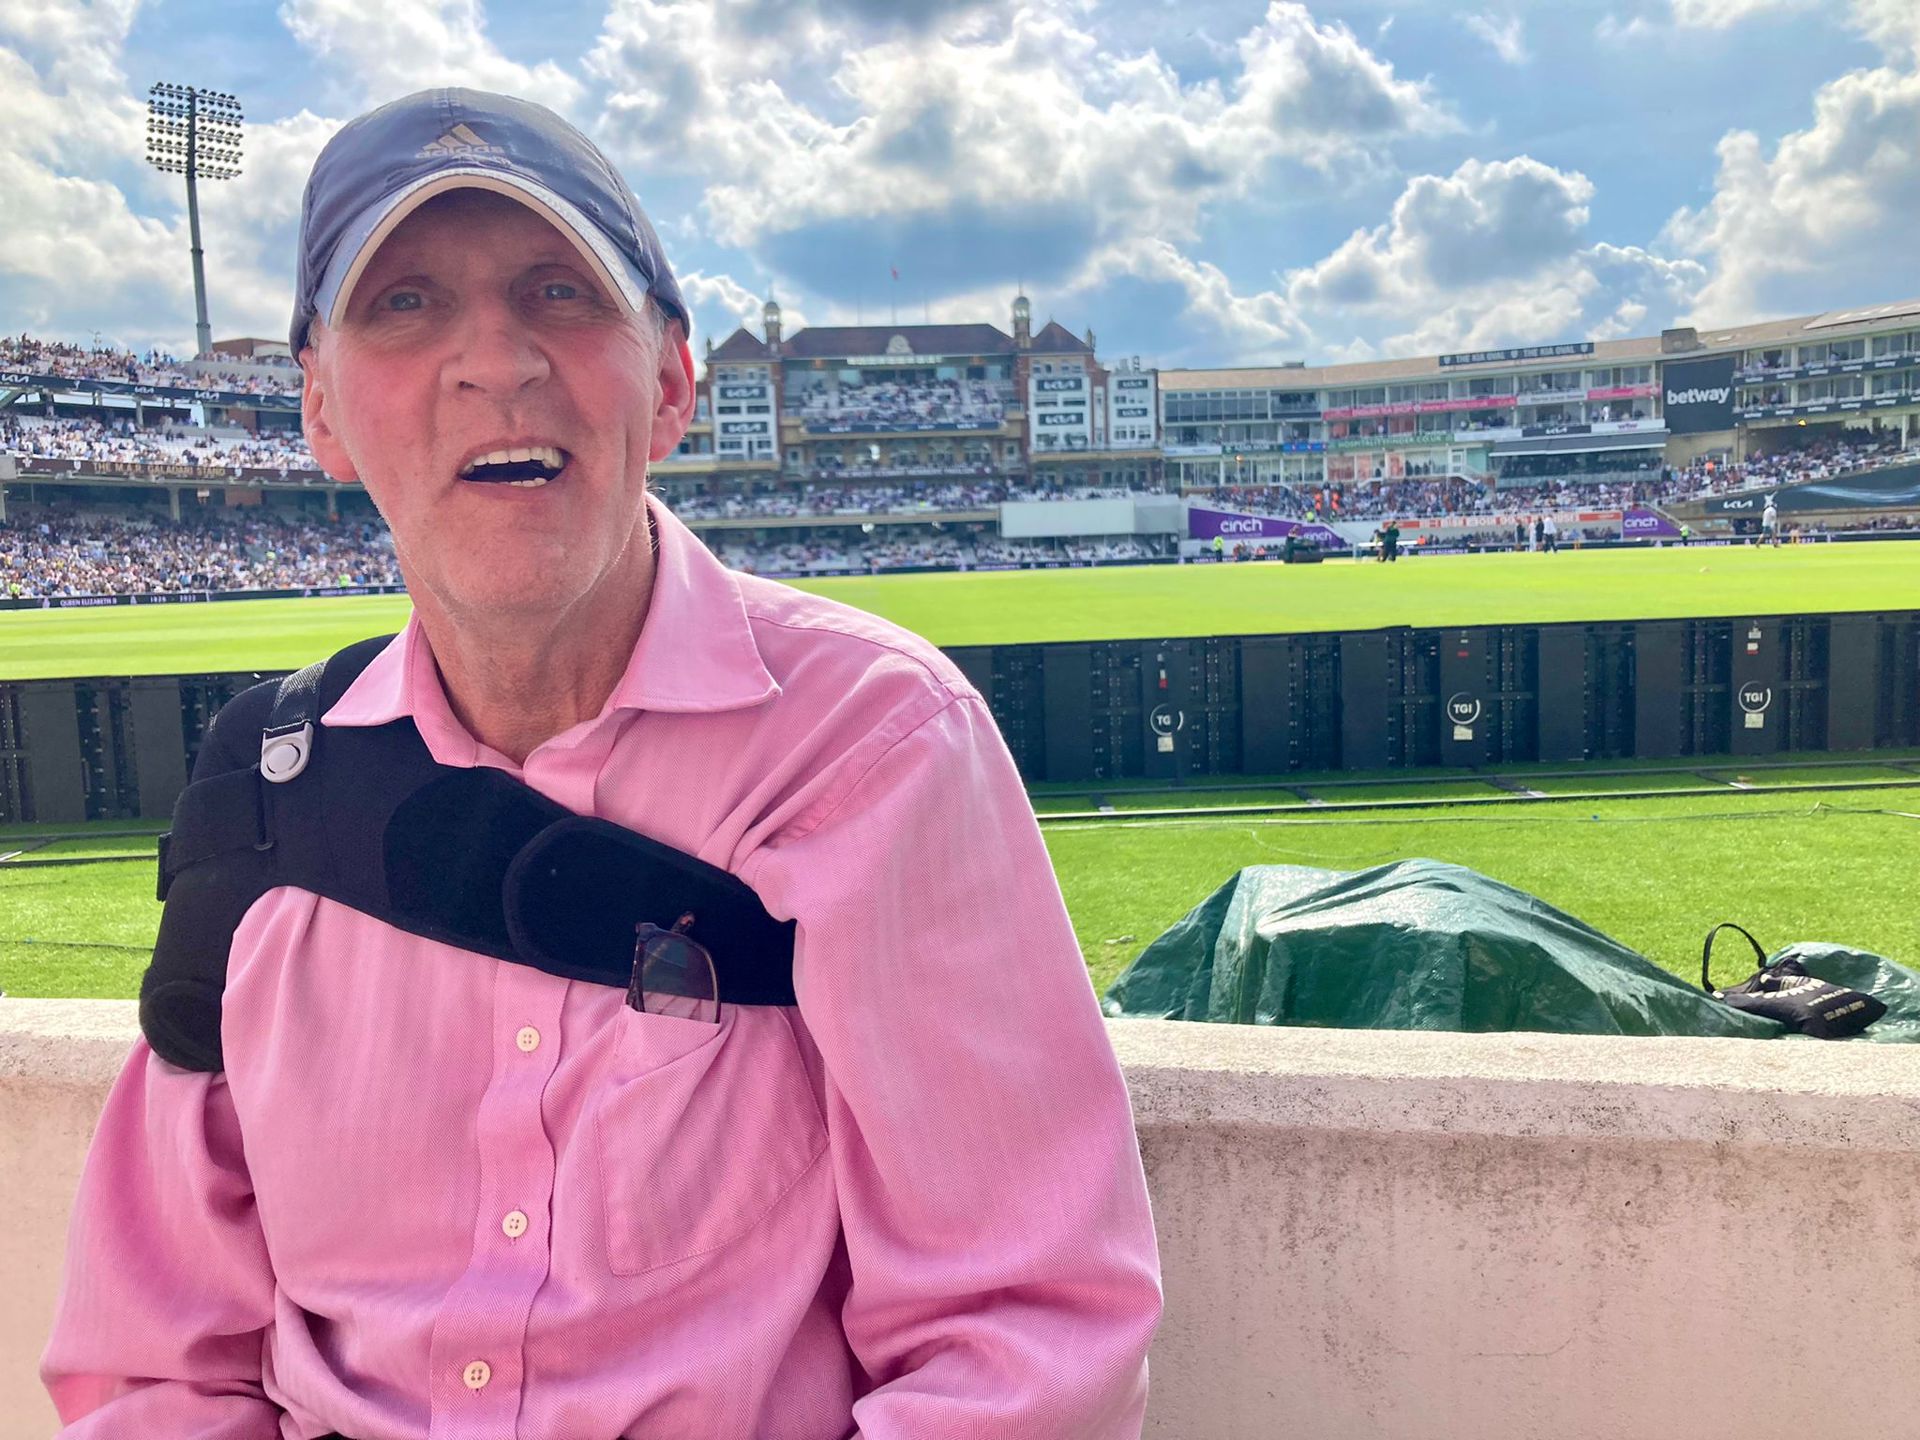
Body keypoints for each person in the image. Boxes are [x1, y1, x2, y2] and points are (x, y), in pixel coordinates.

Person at [41, 89, 1162, 1438]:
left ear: (672, 381)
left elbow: (1026, 1341)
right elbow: (154, 1362)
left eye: (560, 293)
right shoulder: (264, 796)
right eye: (403, 305)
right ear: (322, 414)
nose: (495, 361)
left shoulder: (875, 745)